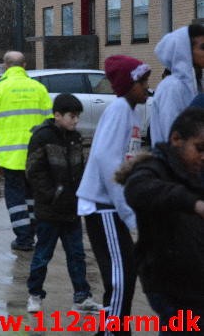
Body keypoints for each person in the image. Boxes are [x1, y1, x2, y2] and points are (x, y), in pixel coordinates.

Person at [76, 54, 151, 336]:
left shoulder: (132, 111)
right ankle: (114, 332)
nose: (147, 87)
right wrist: (124, 207)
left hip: (113, 205)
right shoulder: (119, 109)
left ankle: (111, 329)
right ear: (127, 85)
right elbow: (107, 159)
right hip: (104, 205)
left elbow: (125, 157)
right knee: (121, 276)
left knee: (122, 270)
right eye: (142, 82)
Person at [117, 106, 204, 335]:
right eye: (199, 148)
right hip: (168, 285)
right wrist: (193, 203)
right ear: (177, 139)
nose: (203, 156)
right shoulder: (153, 169)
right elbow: (138, 190)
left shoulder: (196, 173)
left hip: (195, 286)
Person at [25, 93, 103, 314]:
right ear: (57, 115)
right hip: (49, 210)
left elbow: (80, 170)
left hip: (71, 209)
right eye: (72, 116)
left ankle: (82, 297)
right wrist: (51, 194)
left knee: (77, 255)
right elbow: (33, 171)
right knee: (42, 255)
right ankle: (35, 294)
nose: (76, 120)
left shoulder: (75, 138)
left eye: (78, 116)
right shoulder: (42, 137)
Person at [0, 51, 53, 251]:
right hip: (37, 154)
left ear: (5, 66)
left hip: (11, 156)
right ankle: (32, 233)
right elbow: (50, 120)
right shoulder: (39, 89)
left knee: (15, 196)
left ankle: (23, 238)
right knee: (32, 195)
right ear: (25, 65)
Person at [150, 24, 204, 145]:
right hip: (172, 161)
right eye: (203, 47)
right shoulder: (171, 87)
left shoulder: (195, 84)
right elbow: (171, 131)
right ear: (186, 51)